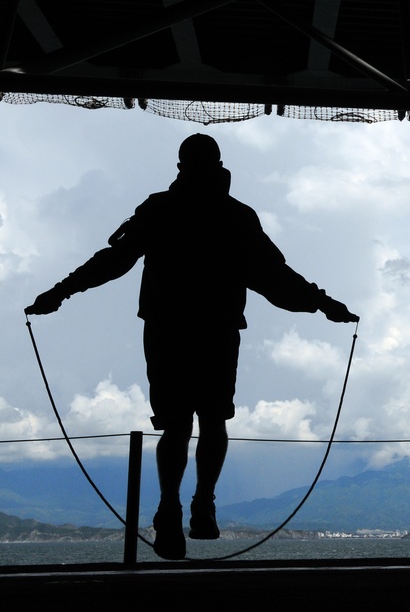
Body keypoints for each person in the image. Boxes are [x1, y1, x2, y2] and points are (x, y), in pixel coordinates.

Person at [25, 133, 359, 560]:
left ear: (181, 166)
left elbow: (113, 261)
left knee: (177, 424)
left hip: (168, 331)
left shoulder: (160, 209)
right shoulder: (235, 215)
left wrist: (60, 291)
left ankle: (172, 507)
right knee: (212, 420)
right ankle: (202, 504)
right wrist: (323, 303)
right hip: (216, 332)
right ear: (218, 165)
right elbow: (274, 276)